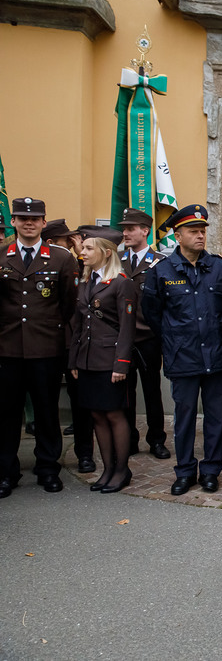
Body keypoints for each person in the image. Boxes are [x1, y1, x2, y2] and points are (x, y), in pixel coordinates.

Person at [142, 205, 222, 495]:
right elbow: (152, 314)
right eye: (193, 231)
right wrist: (175, 340)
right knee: (184, 419)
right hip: (182, 356)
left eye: (203, 231)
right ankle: (184, 471)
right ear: (178, 235)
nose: (200, 236)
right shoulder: (161, 271)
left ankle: (211, 470)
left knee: (215, 418)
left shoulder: (218, 267)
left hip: (216, 355)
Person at [0, 197, 79, 499]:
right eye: (22, 218)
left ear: (44, 223)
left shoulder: (61, 258)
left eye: (34, 219)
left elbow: (68, 305)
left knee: (47, 412)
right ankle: (6, 472)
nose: (29, 223)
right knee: (7, 415)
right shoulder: (1, 255)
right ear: (14, 222)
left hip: (46, 349)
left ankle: (48, 468)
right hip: (7, 350)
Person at [69, 234, 137, 493]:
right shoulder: (86, 280)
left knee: (114, 414)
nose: (83, 252)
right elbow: (78, 324)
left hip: (110, 360)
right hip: (87, 359)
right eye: (83, 248)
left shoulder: (121, 283)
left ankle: (121, 470)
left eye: (89, 248)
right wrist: (74, 360)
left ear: (107, 252)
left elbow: (127, 328)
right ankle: (108, 469)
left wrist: (121, 364)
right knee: (97, 414)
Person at [41, 218, 94, 474]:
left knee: (81, 402)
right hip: (51, 342)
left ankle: (85, 454)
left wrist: (80, 254)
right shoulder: (44, 265)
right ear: (52, 243)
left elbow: (89, 282)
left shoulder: (77, 263)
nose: (74, 245)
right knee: (47, 402)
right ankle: (48, 457)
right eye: (68, 241)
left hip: (76, 343)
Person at [117, 208, 171, 460]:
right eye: (124, 229)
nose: (125, 233)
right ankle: (129, 439)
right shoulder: (117, 260)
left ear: (145, 231)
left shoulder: (160, 262)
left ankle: (156, 439)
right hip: (122, 338)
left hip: (148, 338)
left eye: (130, 229)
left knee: (152, 391)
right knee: (125, 393)